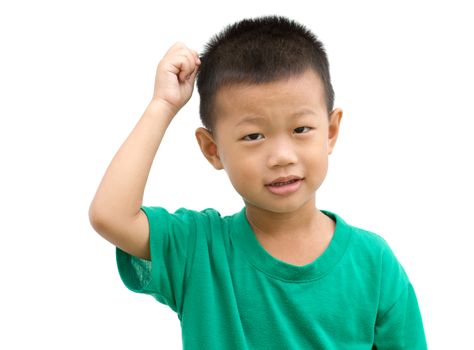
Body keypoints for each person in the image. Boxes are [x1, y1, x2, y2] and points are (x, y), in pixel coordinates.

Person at [89, 15, 427, 349]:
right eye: (253, 136)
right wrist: (162, 105)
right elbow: (111, 216)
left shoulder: (373, 262)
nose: (281, 155)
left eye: (300, 129)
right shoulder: (198, 249)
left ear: (331, 132)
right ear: (213, 150)